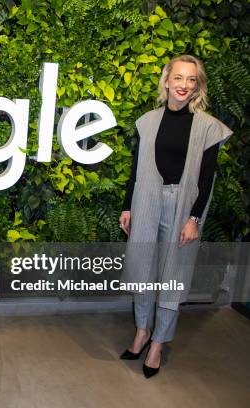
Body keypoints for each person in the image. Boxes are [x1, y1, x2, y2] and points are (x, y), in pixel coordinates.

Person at [118, 55, 232, 378]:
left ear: (197, 86)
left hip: (182, 207)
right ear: (167, 81)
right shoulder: (147, 121)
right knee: (142, 269)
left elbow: (207, 179)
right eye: (178, 78)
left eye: (191, 80)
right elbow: (135, 170)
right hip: (147, 200)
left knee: (172, 274)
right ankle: (141, 332)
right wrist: (128, 206)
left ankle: (157, 343)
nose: (184, 85)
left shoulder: (208, 127)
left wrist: (194, 219)